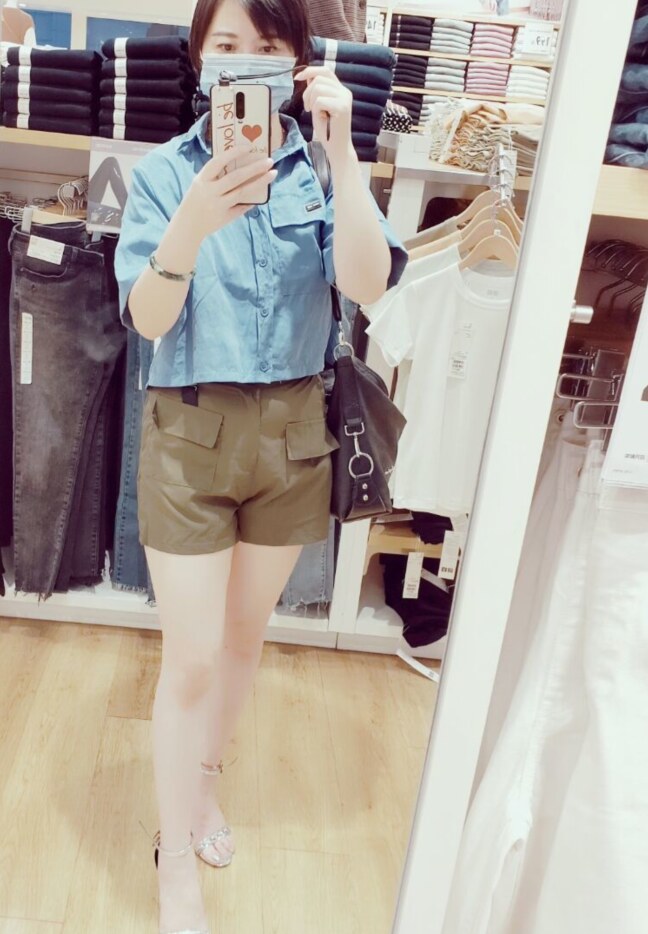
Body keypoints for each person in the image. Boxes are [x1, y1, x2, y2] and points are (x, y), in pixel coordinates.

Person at [114, 0, 407, 931]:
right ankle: (173, 861)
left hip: (293, 436)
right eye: (227, 46)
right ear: (199, 59)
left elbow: (366, 282)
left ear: (299, 63)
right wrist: (191, 224)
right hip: (190, 435)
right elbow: (147, 320)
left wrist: (346, 156)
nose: (244, 63)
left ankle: (202, 784)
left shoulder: (320, 169)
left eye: (267, 47)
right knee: (193, 657)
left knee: (244, 642)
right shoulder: (165, 174)